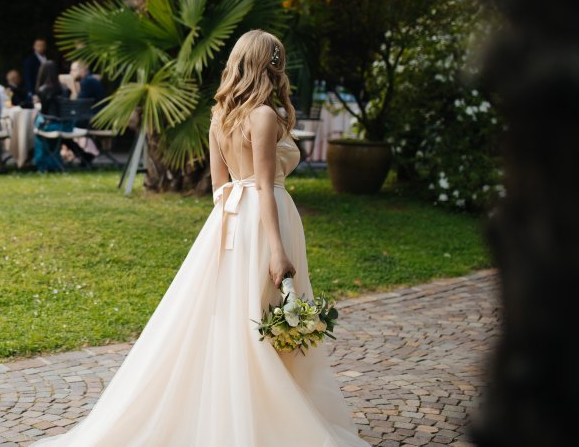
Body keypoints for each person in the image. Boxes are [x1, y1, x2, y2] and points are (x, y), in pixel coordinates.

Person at [33, 31, 366, 446]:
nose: (281, 68)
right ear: (267, 65)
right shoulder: (263, 116)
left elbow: (219, 187)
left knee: (239, 316)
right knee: (262, 318)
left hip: (229, 221)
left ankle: (241, 410)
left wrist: (227, 231)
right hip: (265, 221)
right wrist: (277, 251)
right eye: (276, 60)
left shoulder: (220, 114)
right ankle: (262, 422)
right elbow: (263, 185)